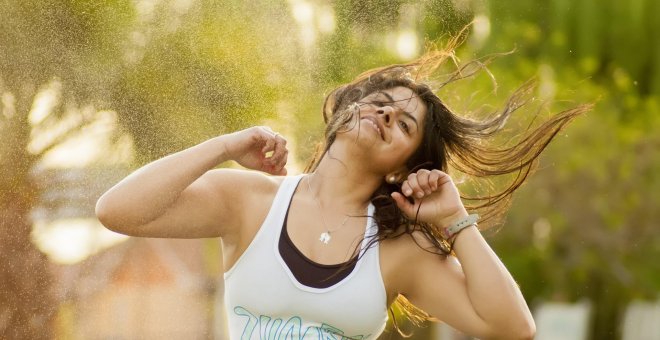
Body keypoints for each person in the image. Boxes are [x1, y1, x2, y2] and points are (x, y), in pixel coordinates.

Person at [96, 38, 588, 339]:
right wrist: (224, 145)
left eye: (403, 124)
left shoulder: (399, 251)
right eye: (379, 102)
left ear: (403, 168)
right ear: (346, 111)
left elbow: (514, 327)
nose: (386, 114)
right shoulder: (251, 203)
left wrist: (454, 221)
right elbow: (117, 211)